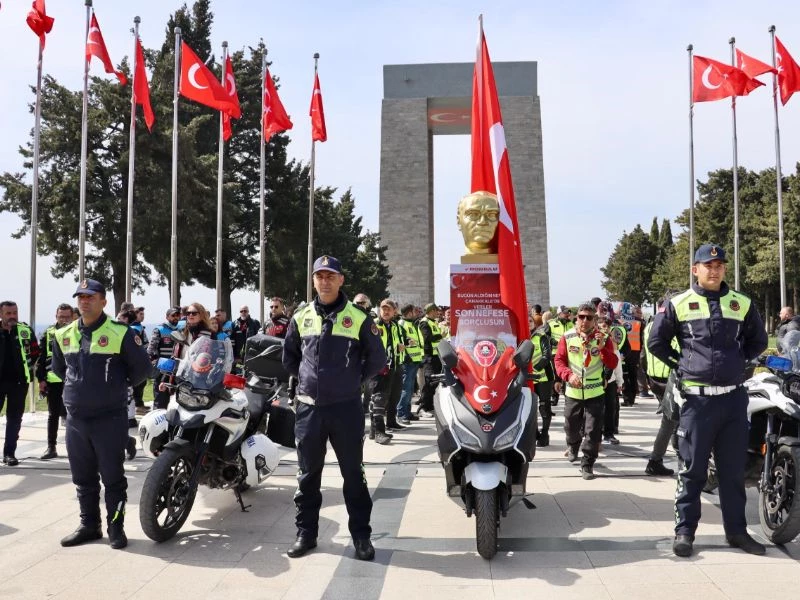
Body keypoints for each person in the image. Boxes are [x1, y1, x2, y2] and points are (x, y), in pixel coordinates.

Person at [648, 244, 768, 558]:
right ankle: (685, 532)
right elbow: (656, 342)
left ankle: (737, 533)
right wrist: (681, 364)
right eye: (708, 265)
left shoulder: (741, 303)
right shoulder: (678, 303)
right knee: (692, 471)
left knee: (732, 473)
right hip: (697, 403)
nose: (714, 271)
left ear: (724, 269)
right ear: (695, 269)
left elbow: (759, 340)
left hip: (733, 401)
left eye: (719, 265)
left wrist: (739, 362)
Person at [282, 255, 386, 561]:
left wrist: (353, 381)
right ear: (313, 281)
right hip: (309, 410)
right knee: (307, 476)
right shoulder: (300, 316)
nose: (325, 281)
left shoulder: (359, 317)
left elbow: (377, 359)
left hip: (346, 409)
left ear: (341, 280)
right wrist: (307, 381)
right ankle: (306, 534)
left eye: (331, 276)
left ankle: (361, 537)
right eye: (320, 276)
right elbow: (290, 358)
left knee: (353, 475)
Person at [52, 279, 150, 549]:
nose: (84, 301)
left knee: (113, 477)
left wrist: (115, 386)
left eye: (90, 297)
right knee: (82, 477)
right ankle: (89, 525)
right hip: (76, 419)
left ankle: (115, 528)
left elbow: (142, 369)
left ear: (103, 301)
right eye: (80, 297)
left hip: (109, 418)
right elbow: (60, 369)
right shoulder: (63, 333)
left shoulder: (120, 332)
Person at [554, 303, 618, 480]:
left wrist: (602, 348)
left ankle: (588, 463)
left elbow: (613, 363)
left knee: (593, 430)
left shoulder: (604, 337)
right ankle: (573, 445)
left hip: (595, 392)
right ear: (576, 318)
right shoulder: (567, 337)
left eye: (589, 317)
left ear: (594, 320)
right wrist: (568, 375)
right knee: (570, 426)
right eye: (581, 317)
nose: (585, 320)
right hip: (573, 392)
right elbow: (559, 361)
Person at [641, 297, 680, 476]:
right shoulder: (673, 324)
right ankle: (662, 459)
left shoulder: (649, 326)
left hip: (655, 378)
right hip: (670, 377)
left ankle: (658, 460)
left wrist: (646, 377)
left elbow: (644, 353)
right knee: (673, 421)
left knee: (671, 420)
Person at [0, 300, 40, 465]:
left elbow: (36, 352)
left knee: (15, 419)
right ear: (1, 314)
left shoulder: (25, 330)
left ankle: (9, 454)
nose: (12, 316)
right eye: (8, 313)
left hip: (19, 383)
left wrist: (28, 369)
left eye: (15, 313)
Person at [37, 303, 74, 459]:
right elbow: (41, 357)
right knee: (53, 415)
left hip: (74, 380)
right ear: (56, 316)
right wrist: (41, 379)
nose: (64, 320)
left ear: (72, 317)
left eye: (67, 317)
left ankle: (77, 447)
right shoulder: (49, 333)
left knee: (76, 415)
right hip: (53, 380)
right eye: (61, 317)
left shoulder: (78, 331)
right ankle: (51, 447)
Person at [596, 315, 623, 446]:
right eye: (601, 327)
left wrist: (619, 381)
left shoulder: (612, 342)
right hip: (595, 380)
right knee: (596, 409)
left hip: (610, 381)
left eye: (606, 327)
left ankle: (609, 434)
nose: (603, 330)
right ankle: (594, 434)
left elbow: (616, 364)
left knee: (610, 408)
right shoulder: (593, 341)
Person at [147, 308, 182, 410]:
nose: (176, 318)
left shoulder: (181, 330)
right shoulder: (159, 329)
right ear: (167, 317)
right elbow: (151, 349)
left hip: (177, 368)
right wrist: (155, 362)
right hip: (163, 367)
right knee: (161, 396)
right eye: (173, 315)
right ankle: (159, 414)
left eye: (177, 315)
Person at [397, 304, 422, 425]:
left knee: (410, 389)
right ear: (409, 313)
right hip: (407, 361)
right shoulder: (402, 323)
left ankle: (407, 412)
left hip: (414, 360)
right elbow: (400, 341)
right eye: (414, 311)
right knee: (405, 389)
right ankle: (401, 414)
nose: (416, 313)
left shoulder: (412, 324)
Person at [417, 303, 443, 417]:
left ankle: (430, 406)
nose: (438, 312)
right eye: (436, 310)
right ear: (431, 311)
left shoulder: (433, 322)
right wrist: (440, 336)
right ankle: (423, 408)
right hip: (429, 356)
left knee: (434, 382)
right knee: (429, 382)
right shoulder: (424, 322)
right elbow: (427, 338)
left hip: (436, 355)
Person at [530, 321, 554, 447]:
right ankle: (534, 434)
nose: (528, 323)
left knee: (544, 407)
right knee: (530, 408)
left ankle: (545, 434)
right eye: (526, 320)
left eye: (530, 321)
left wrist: (534, 369)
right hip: (527, 379)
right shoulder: (519, 336)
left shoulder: (541, 336)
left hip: (544, 378)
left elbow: (547, 355)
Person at [547, 305, 574, 406]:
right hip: (555, 353)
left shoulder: (571, 324)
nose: (567, 314)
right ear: (559, 313)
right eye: (565, 312)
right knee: (556, 375)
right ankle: (554, 397)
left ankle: (567, 396)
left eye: (568, 313)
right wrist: (553, 341)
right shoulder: (551, 323)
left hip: (569, 353)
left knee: (567, 374)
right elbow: (545, 336)